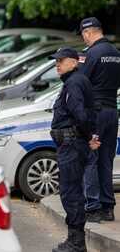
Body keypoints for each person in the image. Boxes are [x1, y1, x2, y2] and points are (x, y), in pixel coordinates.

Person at [49, 47, 99, 252]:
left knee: (71, 192)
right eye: (56, 61)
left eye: (61, 61)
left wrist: (88, 137)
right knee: (72, 191)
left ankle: (76, 243)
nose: (57, 65)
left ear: (74, 62)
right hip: (72, 143)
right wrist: (90, 136)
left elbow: (80, 114)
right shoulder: (75, 81)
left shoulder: (74, 82)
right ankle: (75, 241)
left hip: (71, 145)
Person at [78, 17, 120, 222]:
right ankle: (108, 207)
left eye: (83, 35)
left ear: (88, 33)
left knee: (91, 159)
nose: (84, 39)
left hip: (95, 113)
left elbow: (80, 82)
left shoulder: (91, 54)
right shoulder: (116, 53)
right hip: (113, 111)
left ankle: (93, 208)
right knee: (106, 160)